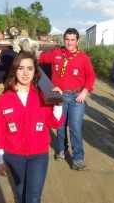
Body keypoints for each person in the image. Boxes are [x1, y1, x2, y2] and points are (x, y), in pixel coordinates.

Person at [0, 52, 65, 203]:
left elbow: (54, 123)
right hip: (14, 155)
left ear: (35, 71)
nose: (25, 73)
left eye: (30, 68)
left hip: (38, 155)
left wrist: (58, 104)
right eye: (21, 68)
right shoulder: (4, 99)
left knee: (33, 198)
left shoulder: (42, 96)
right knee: (21, 192)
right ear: (15, 70)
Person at [38, 28, 96, 171]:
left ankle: (78, 159)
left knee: (75, 128)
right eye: (67, 39)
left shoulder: (83, 57)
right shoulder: (56, 54)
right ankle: (61, 150)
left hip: (77, 98)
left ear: (77, 41)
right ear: (63, 40)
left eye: (72, 40)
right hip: (60, 96)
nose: (69, 42)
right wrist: (29, 49)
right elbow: (40, 58)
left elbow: (91, 76)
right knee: (60, 126)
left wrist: (84, 92)